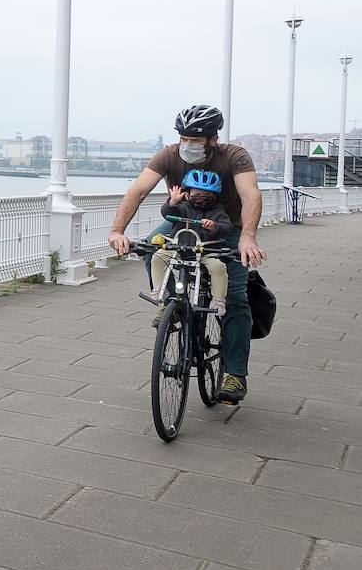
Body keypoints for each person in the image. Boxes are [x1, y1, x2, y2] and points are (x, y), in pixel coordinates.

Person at [108, 104, 266, 404]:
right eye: (184, 138)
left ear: (213, 139)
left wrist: (247, 237)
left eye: (196, 139)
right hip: (183, 221)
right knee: (153, 244)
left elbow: (250, 194)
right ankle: (169, 302)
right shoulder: (168, 155)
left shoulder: (234, 156)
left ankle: (234, 374)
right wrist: (117, 231)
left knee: (235, 297)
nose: (188, 145)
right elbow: (139, 190)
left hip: (225, 226)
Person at [149, 169, 232, 326]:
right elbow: (167, 212)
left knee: (218, 267)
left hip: (204, 252)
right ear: (187, 194)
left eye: (206, 196)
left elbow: (226, 226)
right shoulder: (182, 207)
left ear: (214, 197)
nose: (201, 199)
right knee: (158, 256)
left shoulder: (217, 211)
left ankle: (219, 300)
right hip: (179, 249)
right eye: (196, 195)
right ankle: (159, 289)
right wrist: (172, 202)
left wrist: (214, 226)